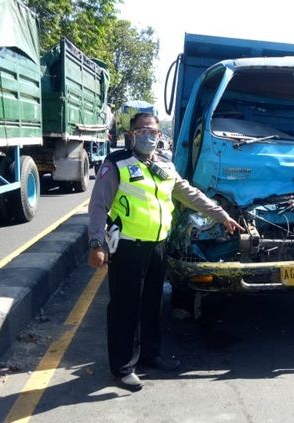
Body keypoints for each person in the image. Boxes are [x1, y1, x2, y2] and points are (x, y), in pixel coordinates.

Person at [87, 112, 244, 392]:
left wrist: (221, 215)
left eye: (154, 132)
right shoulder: (116, 164)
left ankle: (150, 355)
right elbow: (98, 206)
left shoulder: (164, 165)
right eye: (143, 130)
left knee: (152, 304)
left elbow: (190, 194)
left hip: (157, 245)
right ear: (131, 134)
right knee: (125, 308)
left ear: (160, 137)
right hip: (127, 246)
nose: (149, 136)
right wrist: (96, 244)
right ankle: (122, 367)